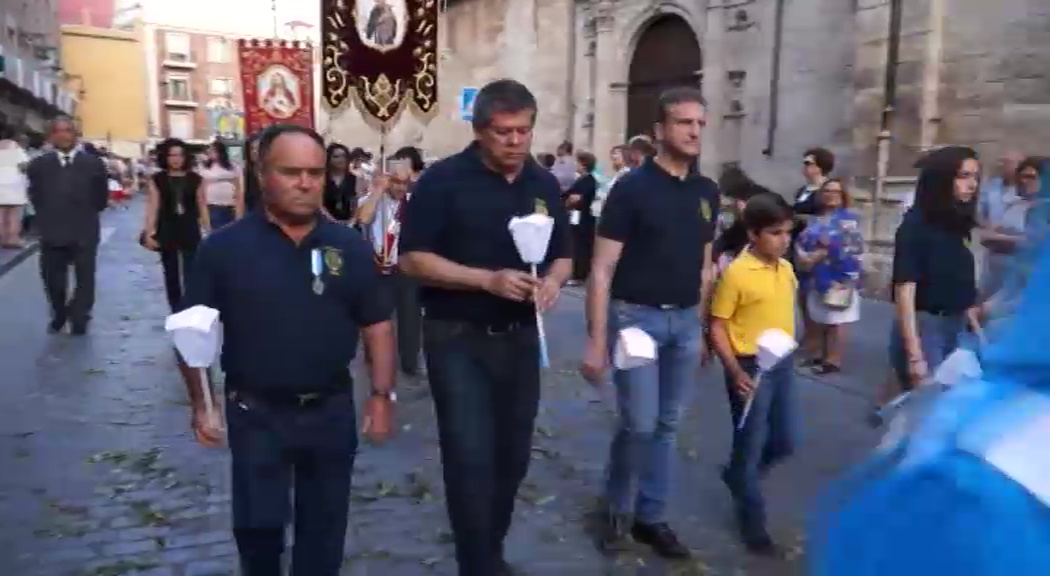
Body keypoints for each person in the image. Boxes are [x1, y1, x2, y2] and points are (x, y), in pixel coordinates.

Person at [178, 124, 397, 576]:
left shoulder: (348, 246)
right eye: (291, 171)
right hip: (256, 414)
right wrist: (202, 404)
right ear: (262, 174)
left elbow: (376, 322)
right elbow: (189, 327)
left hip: (330, 412)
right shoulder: (224, 249)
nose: (305, 183)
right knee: (258, 531)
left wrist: (380, 395)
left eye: (315, 173)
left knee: (324, 531)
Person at [398, 79, 572, 576]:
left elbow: (563, 253)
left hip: (520, 341)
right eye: (504, 132)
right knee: (470, 459)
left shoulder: (541, 184)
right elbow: (412, 260)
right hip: (456, 338)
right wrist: (486, 281)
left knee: (513, 458)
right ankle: (477, 564)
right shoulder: (443, 181)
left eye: (524, 131)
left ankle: (489, 550)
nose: (516, 142)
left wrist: (554, 283)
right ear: (479, 130)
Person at [581, 86, 719, 559]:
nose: (695, 131)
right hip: (634, 319)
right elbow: (600, 270)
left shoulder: (707, 192)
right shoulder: (632, 188)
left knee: (668, 424)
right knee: (639, 424)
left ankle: (651, 517)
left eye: (700, 123)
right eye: (685, 122)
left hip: (683, 323)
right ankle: (615, 509)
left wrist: (701, 328)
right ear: (660, 131)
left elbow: (705, 266)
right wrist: (597, 341)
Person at [709, 192, 798, 555]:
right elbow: (717, 326)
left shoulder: (787, 269)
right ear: (754, 234)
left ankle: (739, 478)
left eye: (788, 232)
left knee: (786, 440)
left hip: (783, 363)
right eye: (775, 233)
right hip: (749, 365)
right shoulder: (737, 274)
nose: (784, 239)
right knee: (750, 444)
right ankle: (753, 524)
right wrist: (734, 371)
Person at [888, 146, 982, 397]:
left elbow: (956, 272)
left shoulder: (955, 221)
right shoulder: (915, 226)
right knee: (929, 409)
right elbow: (905, 290)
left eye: (975, 176)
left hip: (956, 323)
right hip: (927, 326)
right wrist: (915, 354)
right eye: (964, 176)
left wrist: (971, 313)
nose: (972, 185)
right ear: (941, 179)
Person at [26, 117, 109, 335]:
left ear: (75, 134)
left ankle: (80, 315)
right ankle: (59, 312)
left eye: (68, 131)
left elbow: (102, 198)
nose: (63, 135)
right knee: (53, 281)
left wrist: (87, 214)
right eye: (58, 131)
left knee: (85, 278)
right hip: (52, 230)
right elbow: (35, 196)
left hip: (84, 230)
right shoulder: (38, 165)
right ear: (51, 136)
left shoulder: (93, 163)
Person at [356, 146, 424, 376]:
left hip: (404, 267)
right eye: (395, 181)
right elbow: (363, 218)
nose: (399, 187)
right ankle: (375, 361)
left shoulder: (414, 202)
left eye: (404, 182)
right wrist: (377, 190)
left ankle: (410, 363)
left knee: (410, 319)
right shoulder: (371, 200)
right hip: (378, 267)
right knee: (377, 318)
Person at [795, 179, 864, 374]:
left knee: (836, 319)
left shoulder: (848, 220)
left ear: (843, 196)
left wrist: (820, 253)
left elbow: (852, 248)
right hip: (815, 275)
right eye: (827, 191)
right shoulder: (817, 219)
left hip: (839, 276)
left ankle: (833, 360)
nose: (830, 195)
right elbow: (804, 240)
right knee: (819, 317)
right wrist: (804, 255)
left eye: (836, 191)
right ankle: (817, 355)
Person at [142, 138, 211, 312]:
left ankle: (190, 307)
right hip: (167, 228)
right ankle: (176, 309)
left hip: (189, 227)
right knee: (170, 272)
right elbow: (153, 206)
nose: (176, 159)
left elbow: (202, 205)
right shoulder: (157, 179)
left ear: (185, 157)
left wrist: (208, 231)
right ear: (165, 157)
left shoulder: (196, 179)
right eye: (172, 155)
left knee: (192, 271)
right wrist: (149, 232)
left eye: (180, 155)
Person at [564, 150, 598, 283]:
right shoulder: (581, 179)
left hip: (583, 218)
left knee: (581, 246)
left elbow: (575, 198)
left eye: (577, 162)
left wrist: (567, 203)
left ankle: (580, 274)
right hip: (576, 218)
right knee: (575, 244)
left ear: (583, 164)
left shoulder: (589, 180)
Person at [199, 140, 243, 229]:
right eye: (210, 150)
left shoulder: (232, 167)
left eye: (213, 150)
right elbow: (202, 189)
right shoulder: (206, 168)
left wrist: (239, 207)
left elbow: (238, 187)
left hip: (230, 206)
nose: (210, 152)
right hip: (213, 206)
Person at [0, 128, 29, 247]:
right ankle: (12, 239)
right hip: (13, 183)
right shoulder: (15, 147)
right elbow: (24, 165)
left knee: (1, 212)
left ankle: (2, 238)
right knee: (13, 213)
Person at [323, 143, 357, 223]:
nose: (341, 159)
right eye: (336, 157)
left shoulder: (355, 179)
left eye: (344, 156)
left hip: (350, 224)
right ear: (328, 159)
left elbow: (358, 203)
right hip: (325, 222)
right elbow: (319, 205)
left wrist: (352, 221)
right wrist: (333, 221)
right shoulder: (322, 179)